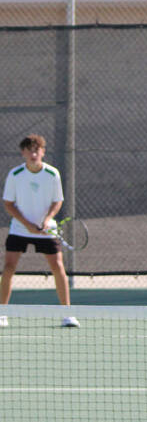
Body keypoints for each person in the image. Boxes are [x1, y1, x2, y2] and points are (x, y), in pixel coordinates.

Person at [1, 134, 79, 328]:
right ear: (23, 153)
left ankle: (67, 314)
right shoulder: (15, 175)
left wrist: (46, 220)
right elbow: (8, 204)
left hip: (46, 230)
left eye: (37, 150)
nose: (33, 153)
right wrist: (26, 224)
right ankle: (2, 313)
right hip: (19, 229)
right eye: (29, 150)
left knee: (58, 267)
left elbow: (57, 201)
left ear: (43, 152)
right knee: (9, 268)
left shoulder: (52, 174)